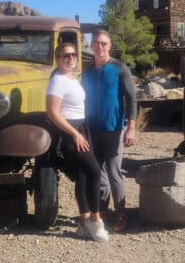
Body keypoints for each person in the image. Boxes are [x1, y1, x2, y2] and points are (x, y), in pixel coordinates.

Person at [46, 42, 109, 242]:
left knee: (83, 175)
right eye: (66, 55)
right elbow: (52, 113)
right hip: (70, 132)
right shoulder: (57, 80)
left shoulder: (71, 77)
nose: (71, 58)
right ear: (57, 58)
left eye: (73, 55)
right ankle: (95, 221)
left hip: (81, 128)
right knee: (94, 171)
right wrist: (74, 133)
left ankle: (83, 224)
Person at [82, 29, 137, 232]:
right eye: (96, 43)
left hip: (114, 129)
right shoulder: (86, 72)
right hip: (91, 129)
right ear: (91, 45)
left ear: (109, 45)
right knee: (97, 171)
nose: (100, 47)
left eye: (103, 43)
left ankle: (122, 212)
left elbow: (132, 98)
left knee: (113, 171)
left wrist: (131, 127)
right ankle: (103, 209)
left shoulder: (119, 69)